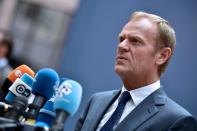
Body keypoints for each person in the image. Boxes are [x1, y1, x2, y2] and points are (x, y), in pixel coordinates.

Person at [75, 11, 197, 131]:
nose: (122, 46)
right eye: (121, 39)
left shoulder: (177, 122)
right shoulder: (96, 101)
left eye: (135, 41)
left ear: (162, 56)